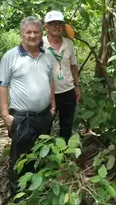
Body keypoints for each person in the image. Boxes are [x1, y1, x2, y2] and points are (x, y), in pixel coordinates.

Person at [0, 16, 56, 201]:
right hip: (22, 117)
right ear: (22, 34)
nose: (32, 36)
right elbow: (2, 86)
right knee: (19, 158)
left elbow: (50, 80)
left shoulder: (48, 55)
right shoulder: (10, 56)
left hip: (45, 115)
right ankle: (18, 197)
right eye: (28, 32)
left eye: (36, 32)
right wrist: (5, 115)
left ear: (41, 34)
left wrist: (53, 105)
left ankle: (35, 192)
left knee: (40, 154)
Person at [42, 10, 81, 143]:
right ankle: (45, 157)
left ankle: (64, 156)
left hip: (67, 90)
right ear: (46, 26)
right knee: (45, 126)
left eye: (59, 23)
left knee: (66, 126)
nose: (56, 26)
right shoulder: (40, 44)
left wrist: (77, 85)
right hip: (47, 92)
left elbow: (73, 65)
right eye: (53, 23)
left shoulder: (68, 43)